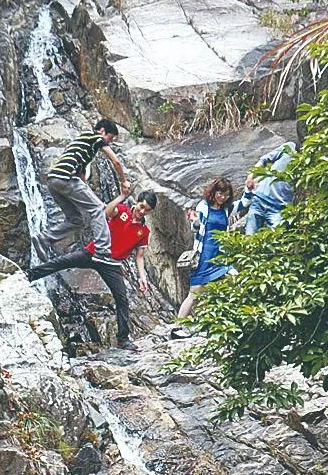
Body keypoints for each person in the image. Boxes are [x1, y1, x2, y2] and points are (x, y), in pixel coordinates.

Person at [29, 190, 157, 350]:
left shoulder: (143, 232)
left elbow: (140, 256)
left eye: (147, 210)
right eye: (141, 206)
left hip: (112, 264)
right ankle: (30, 275)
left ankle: (123, 339)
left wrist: (142, 277)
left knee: (122, 299)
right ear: (137, 202)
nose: (142, 211)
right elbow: (105, 213)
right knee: (62, 262)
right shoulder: (123, 210)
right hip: (94, 252)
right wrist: (122, 196)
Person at [38, 118, 127, 261]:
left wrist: (97, 201)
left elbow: (83, 185)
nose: (108, 143)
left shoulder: (81, 143)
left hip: (53, 181)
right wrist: (123, 181)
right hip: (66, 177)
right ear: (103, 130)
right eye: (109, 139)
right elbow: (115, 161)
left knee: (77, 219)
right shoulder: (96, 137)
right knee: (98, 210)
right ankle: (102, 250)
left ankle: (45, 238)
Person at [175, 176, 234, 324]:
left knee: (235, 278)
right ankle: (177, 326)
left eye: (226, 194)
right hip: (204, 255)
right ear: (214, 192)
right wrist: (194, 221)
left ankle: (228, 319)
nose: (222, 197)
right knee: (194, 294)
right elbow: (196, 225)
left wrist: (250, 189)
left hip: (220, 255)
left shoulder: (226, 209)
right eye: (220, 193)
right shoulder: (204, 206)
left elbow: (244, 203)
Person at [233, 143, 295, 235]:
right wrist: (250, 177)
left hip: (279, 208)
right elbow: (264, 159)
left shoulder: (310, 162)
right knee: (249, 238)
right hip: (260, 198)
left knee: (277, 239)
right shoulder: (290, 147)